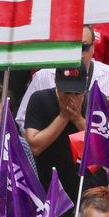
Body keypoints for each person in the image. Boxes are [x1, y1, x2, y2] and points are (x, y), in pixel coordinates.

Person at [23, 65, 88, 202]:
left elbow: (99, 146)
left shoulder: (92, 102)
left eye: (76, 93)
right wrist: (63, 117)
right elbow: (35, 146)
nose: (71, 98)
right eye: (66, 92)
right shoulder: (40, 99)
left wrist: (78, 119)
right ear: (56, 82)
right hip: (48, 184)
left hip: (83, 187)